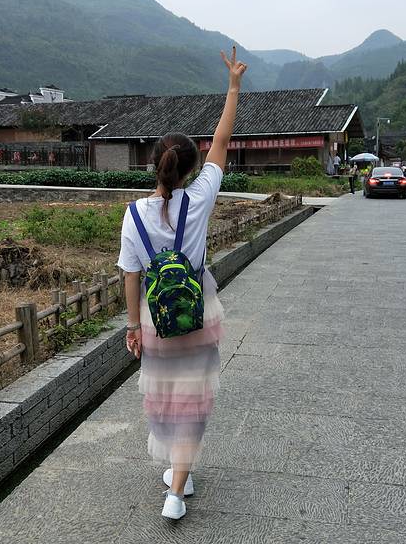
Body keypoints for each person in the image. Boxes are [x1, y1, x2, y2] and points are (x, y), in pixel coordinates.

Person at [117, 47, 247, 520]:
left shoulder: (133, 215)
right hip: (198, 312)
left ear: (154, 164)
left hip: (155, 317)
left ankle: (179, 473)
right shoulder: (201, 199)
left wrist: (133, 326)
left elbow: (131, 275)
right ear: (191, 169)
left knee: (167, 396)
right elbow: (222, 140)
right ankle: (176, 490)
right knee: (193, 397)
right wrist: (232, 86)